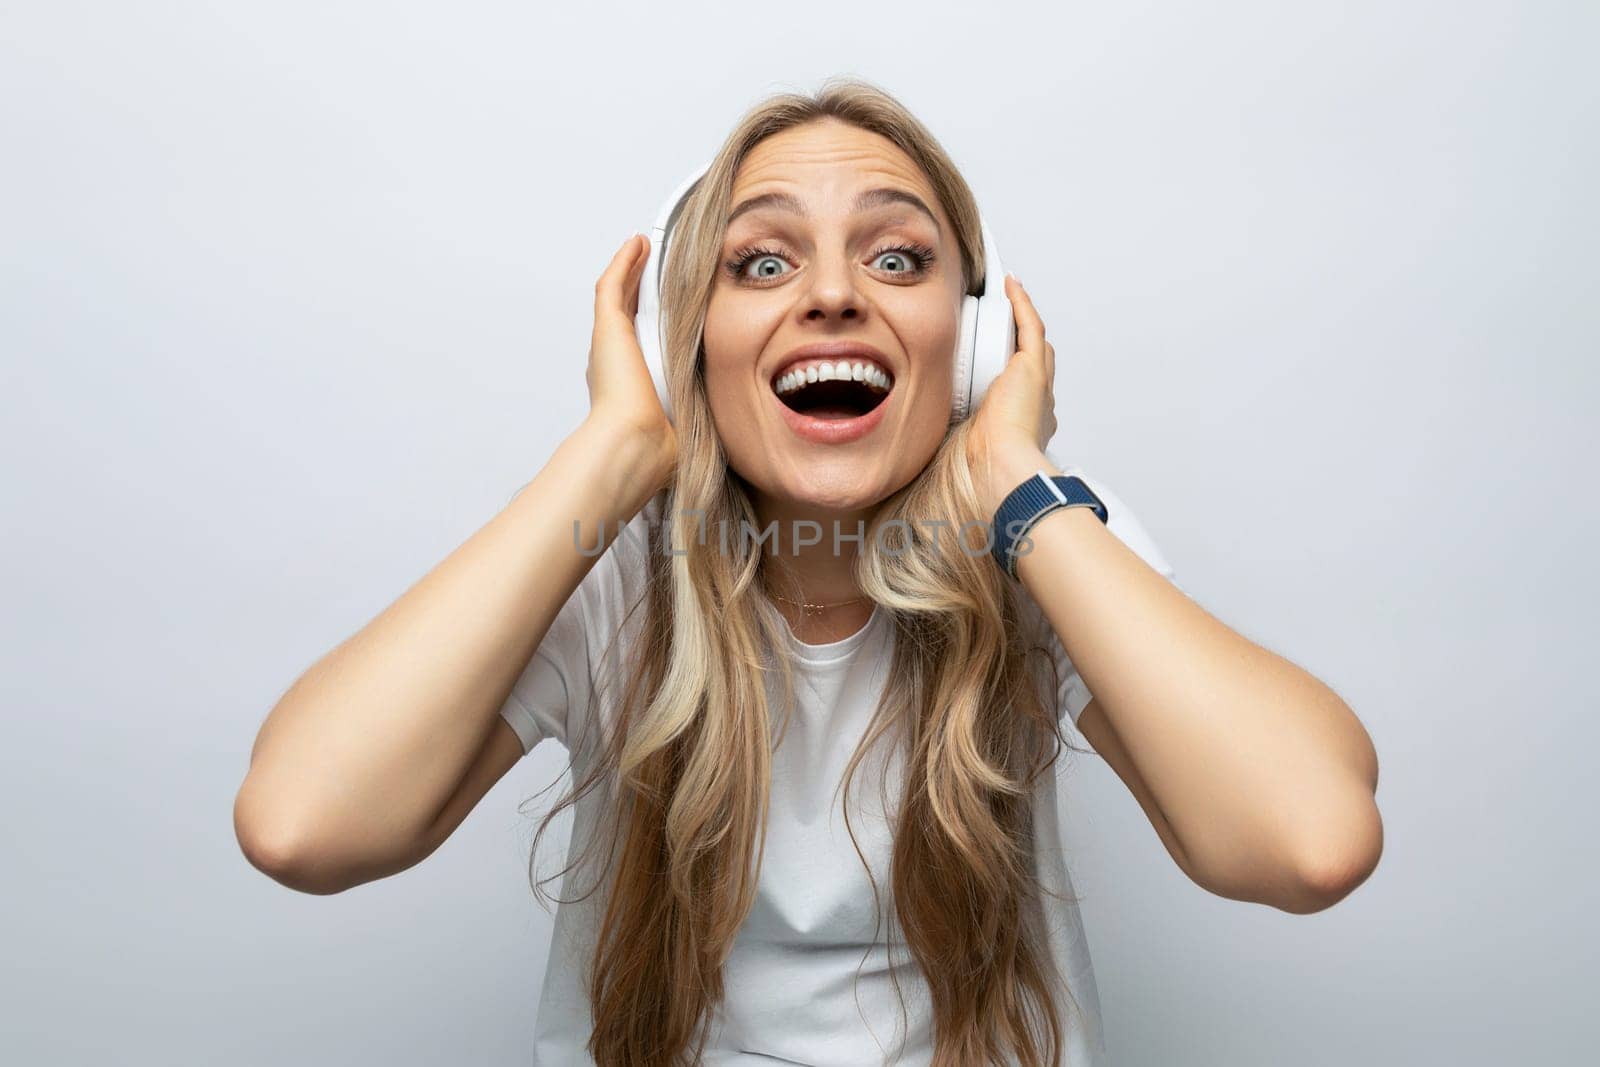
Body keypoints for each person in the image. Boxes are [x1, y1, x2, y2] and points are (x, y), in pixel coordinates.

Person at [234, 77, 1384, 1067]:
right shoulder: (614, 567)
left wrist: (1017, 479)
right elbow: (303, 823)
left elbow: (1307, 839)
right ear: (681, 343)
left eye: (896, 256)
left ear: (974, 340)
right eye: (760, 260)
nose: (833, 294)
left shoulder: (1041, 540)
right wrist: (610, 451)